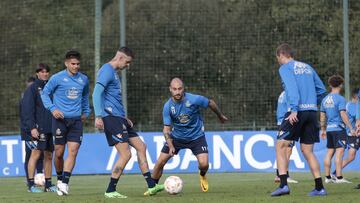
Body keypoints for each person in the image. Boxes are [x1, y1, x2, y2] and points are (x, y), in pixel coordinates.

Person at [92, 47, 163, 199]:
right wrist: (98, 116)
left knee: (141, 147)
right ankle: (110, 190)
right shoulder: (107, 70)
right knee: (125, 154)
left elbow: (112, 98)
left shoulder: (114, 74)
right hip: (110, 118)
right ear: (121, 58)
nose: (128, 66)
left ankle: (151, 186)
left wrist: (123, 118)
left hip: (119, 118)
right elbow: (96, 93)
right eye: (128, 62)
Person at [151, 77, 228, 193]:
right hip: (176, 137)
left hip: (196, 136)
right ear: (170, 90)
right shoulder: (167, 107)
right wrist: (171, 146)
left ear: (183, 89)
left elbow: (210, 103)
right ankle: (152, 187)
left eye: (180, 89)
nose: (177, 92)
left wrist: (220, 116)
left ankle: (202, 175)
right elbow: (166, 129)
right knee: (159, 163)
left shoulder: (194, 99)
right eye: (175, 89)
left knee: (204, 164)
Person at [271, 43, 327, 197]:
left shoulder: (285, 68)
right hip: (311, 112)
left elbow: (292, 88)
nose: (278, 61)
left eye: (278, 58)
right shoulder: (308, 67)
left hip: (297, 112)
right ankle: (319, 187)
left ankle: (283, 185)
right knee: (308, 151)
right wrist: (312, 104)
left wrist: (294, 109)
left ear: (281, 54)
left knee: (280, 145)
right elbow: (322, 90)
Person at [41, 51, 91, 196]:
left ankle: (65, 183)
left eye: (78, 64)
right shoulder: (57, 78)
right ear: (66, 63)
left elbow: (85, 96)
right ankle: (60, 178)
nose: (76, 66)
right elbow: (45, 94)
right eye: (73, 64)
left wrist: (86, 112)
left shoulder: (84, 79)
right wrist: (53, 109)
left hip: (76, 121)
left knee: (73, 151)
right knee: (59, 153)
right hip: (59, 121)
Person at [22, 64, 57, 192]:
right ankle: (31, 185)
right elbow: (28, 110)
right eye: (42, 72)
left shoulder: (51, 87)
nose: (45, 74)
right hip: (38, 128)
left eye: (47, 72)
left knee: (48, 155)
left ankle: (48, 184)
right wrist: (32, 127)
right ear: (37, 73)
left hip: (50, 128)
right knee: (35, 154)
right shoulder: (32, 89)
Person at [320, 75, 355, 184]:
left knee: (329, 153)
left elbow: (322, 115)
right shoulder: (340, 99)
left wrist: (323, 129)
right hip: (339, 129)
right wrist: (350, 128)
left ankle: (327, 177)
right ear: (341, 85)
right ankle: (339, 178)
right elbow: (343, 114)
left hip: (329, 130)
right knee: (339, 153)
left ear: (330, 85)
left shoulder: (325, 99)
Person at [20, 76, 45, 187]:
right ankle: (29, 180)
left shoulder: (38, 98)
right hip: (28, 131)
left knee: (40, 154)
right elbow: (25, 116)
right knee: (30, 155)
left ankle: (39, 177)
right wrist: (29, 129)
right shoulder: (24, 99)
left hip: (39, 129)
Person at [330, 88, 359, 180]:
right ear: (356, 96)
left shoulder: (351, 105)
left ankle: (335, 173)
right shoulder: (352, 105)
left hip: (354, 133)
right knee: (351, 156)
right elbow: (356, 118)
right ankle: (335, 173)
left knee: (351, 156)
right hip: (352, 134)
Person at [274, 91, 298, 184]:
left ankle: (278, 175)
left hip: (280, 122)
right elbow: (291, 109)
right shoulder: (290, 93)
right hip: (287, 122)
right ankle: (285, 175)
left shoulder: (282, 93)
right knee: (287, 150)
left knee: (281, 149)